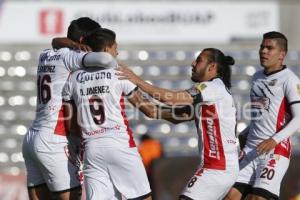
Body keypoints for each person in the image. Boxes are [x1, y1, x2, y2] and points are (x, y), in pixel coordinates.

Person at [117, 48, 239, 200]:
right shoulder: (211, 96)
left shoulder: (212, 87)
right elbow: (157, 112)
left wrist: (137, 80)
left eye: (199, 60)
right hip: (218, 167)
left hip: (217, 167)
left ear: (212, 67)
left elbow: (171, 98)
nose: (193, 63)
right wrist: (130, 91)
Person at [22, 18, 117, 200]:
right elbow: (106, 59)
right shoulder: (72, 56)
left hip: (32, 138)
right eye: (92, 40)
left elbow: (55, 42)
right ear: (82, 41)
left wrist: (65, 42)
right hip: (54, 139)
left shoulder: (45, 54)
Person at [62, 28, 161, 200]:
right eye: (116, 47)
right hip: (119, 144)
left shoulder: (73, 77)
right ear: (107, 49)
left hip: (92, 149)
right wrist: (180, 113)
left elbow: (70, 124)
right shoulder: (119, 72)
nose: (117, 51)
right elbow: (149, 110)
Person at [224, 31, 300, 200]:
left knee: (257, 199)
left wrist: (273, 140)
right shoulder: (257, 77)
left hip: (275, 151)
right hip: (251, 148)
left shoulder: (290, 80)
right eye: (262, 47)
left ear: (282, 54)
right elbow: (263, 115)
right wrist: (246, 133)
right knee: (229, 196)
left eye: (269, 48)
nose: (263, 51)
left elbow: (298, 119)